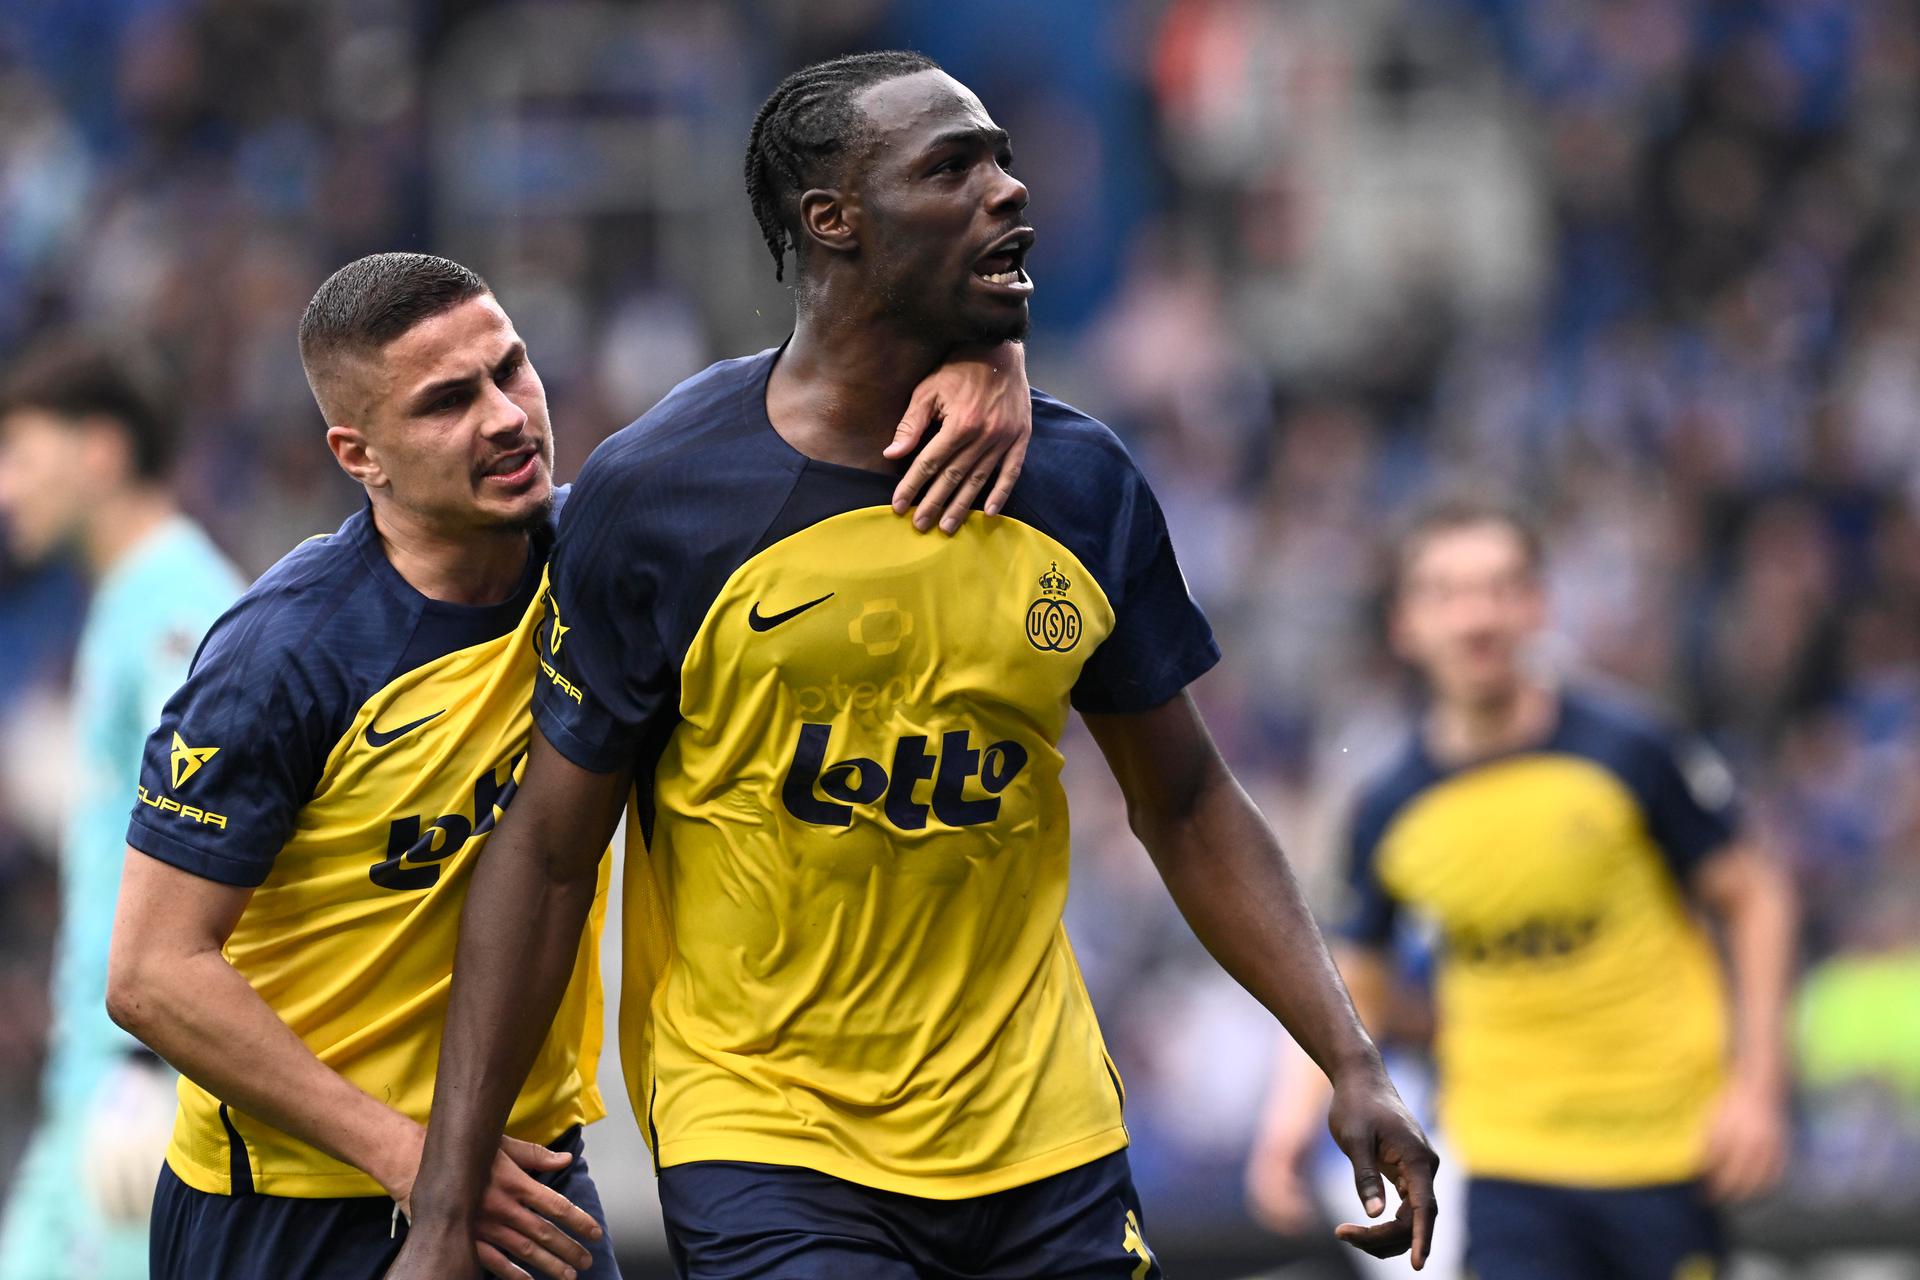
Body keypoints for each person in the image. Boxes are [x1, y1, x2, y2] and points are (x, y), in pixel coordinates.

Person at [393, 50, 1439, 1280]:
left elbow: (1189, 799)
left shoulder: (1078, 481)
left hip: (1041, 1132)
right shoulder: (661, 497)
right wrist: (448, 1199)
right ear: (832, 221)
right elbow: (551, 852)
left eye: (1001, 157)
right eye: (954, 168)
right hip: (771, 1131)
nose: (1009, 191)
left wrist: (1349, 1055)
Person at [104, 250, 1033, 1280]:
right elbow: (154, 972)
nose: (505, 415)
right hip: (292, 1205)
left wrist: (991, 355)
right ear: (357, 453)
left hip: (531, 1172)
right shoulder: (284, 656)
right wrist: (418, 1162)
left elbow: (803, 404)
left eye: (511, 369)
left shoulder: (615, 556)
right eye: (448, 402)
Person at [1245, 496, 1798, 1280]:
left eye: (1501, 588)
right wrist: (1288, 1122)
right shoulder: (1391, 808)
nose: (1478, 617)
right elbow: (1350, 980)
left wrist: (1759, 1087)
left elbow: (1756, 896)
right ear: (1405, 623)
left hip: (1666, 1148)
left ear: (1538, 604)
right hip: (1509, 1161)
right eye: (1448, 592)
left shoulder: (1629, 752)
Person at [0, 337, 246, 1280]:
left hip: (136, 1085)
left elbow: (213, 813)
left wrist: (147, 1069)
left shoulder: (174, 601)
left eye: (19, 452)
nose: (6, 485)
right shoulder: (124, 601)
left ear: (100, 453)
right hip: (100, 1079)